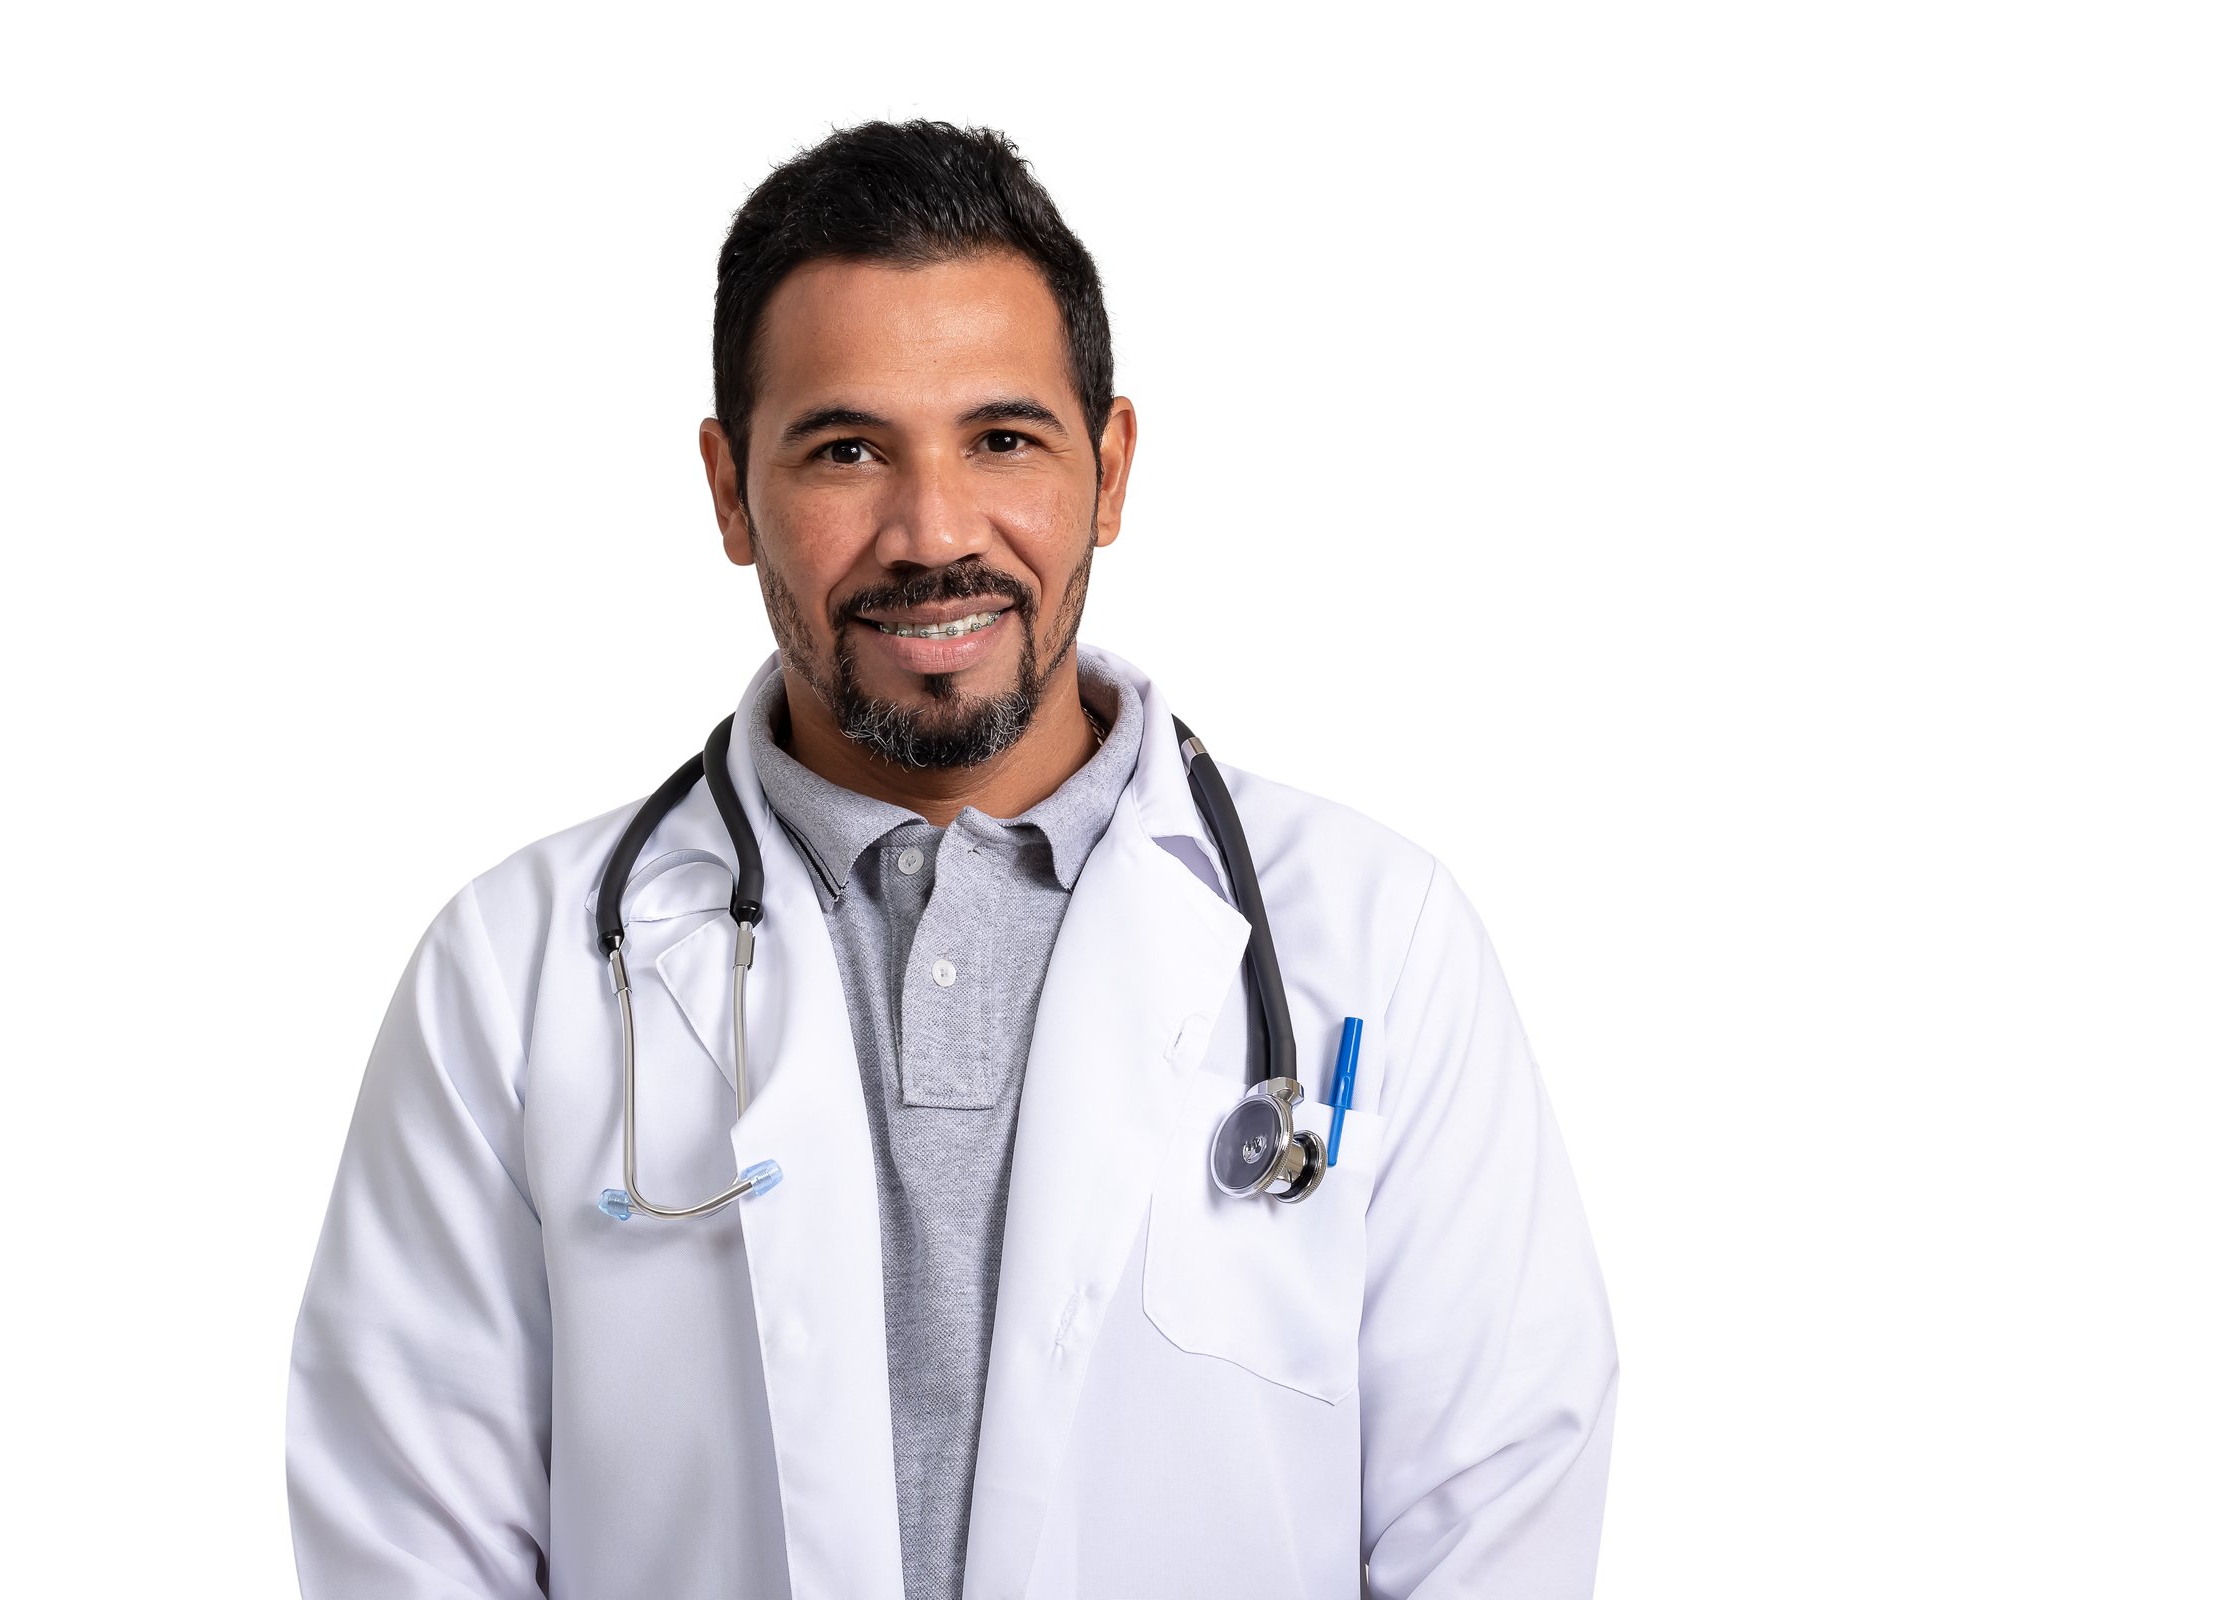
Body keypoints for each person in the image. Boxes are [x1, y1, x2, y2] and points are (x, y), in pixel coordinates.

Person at [286, 119, 1618, 1599]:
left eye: (1002, 439)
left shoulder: (1377, 944)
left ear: (1108, 468)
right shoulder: (514, 976)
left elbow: (1495, 1523)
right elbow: (410, 1547)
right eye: (846, 450)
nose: (933, 533)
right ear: (731, 493)